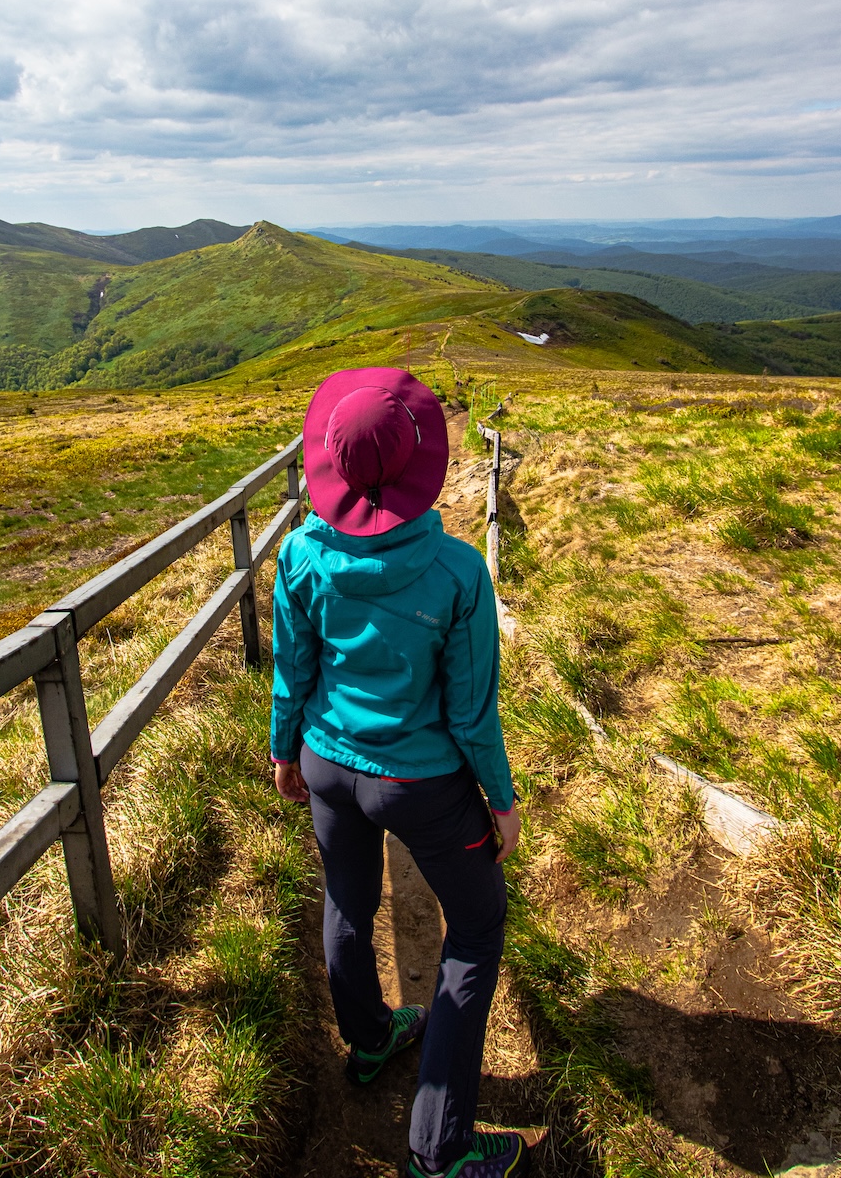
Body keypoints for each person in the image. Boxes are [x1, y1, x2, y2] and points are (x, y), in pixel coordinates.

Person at [270, 367, 525, 1178]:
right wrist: (502, 800)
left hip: (328, 762)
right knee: (476, 929)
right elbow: (471, 715)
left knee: (347, 899)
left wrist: (284, 750)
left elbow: (293, 670)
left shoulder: (299, 555)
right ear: (418, 464)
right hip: (421, 783)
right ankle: (440, 1148)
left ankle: (372, 1038)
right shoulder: (457, 573)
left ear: (331, 466)